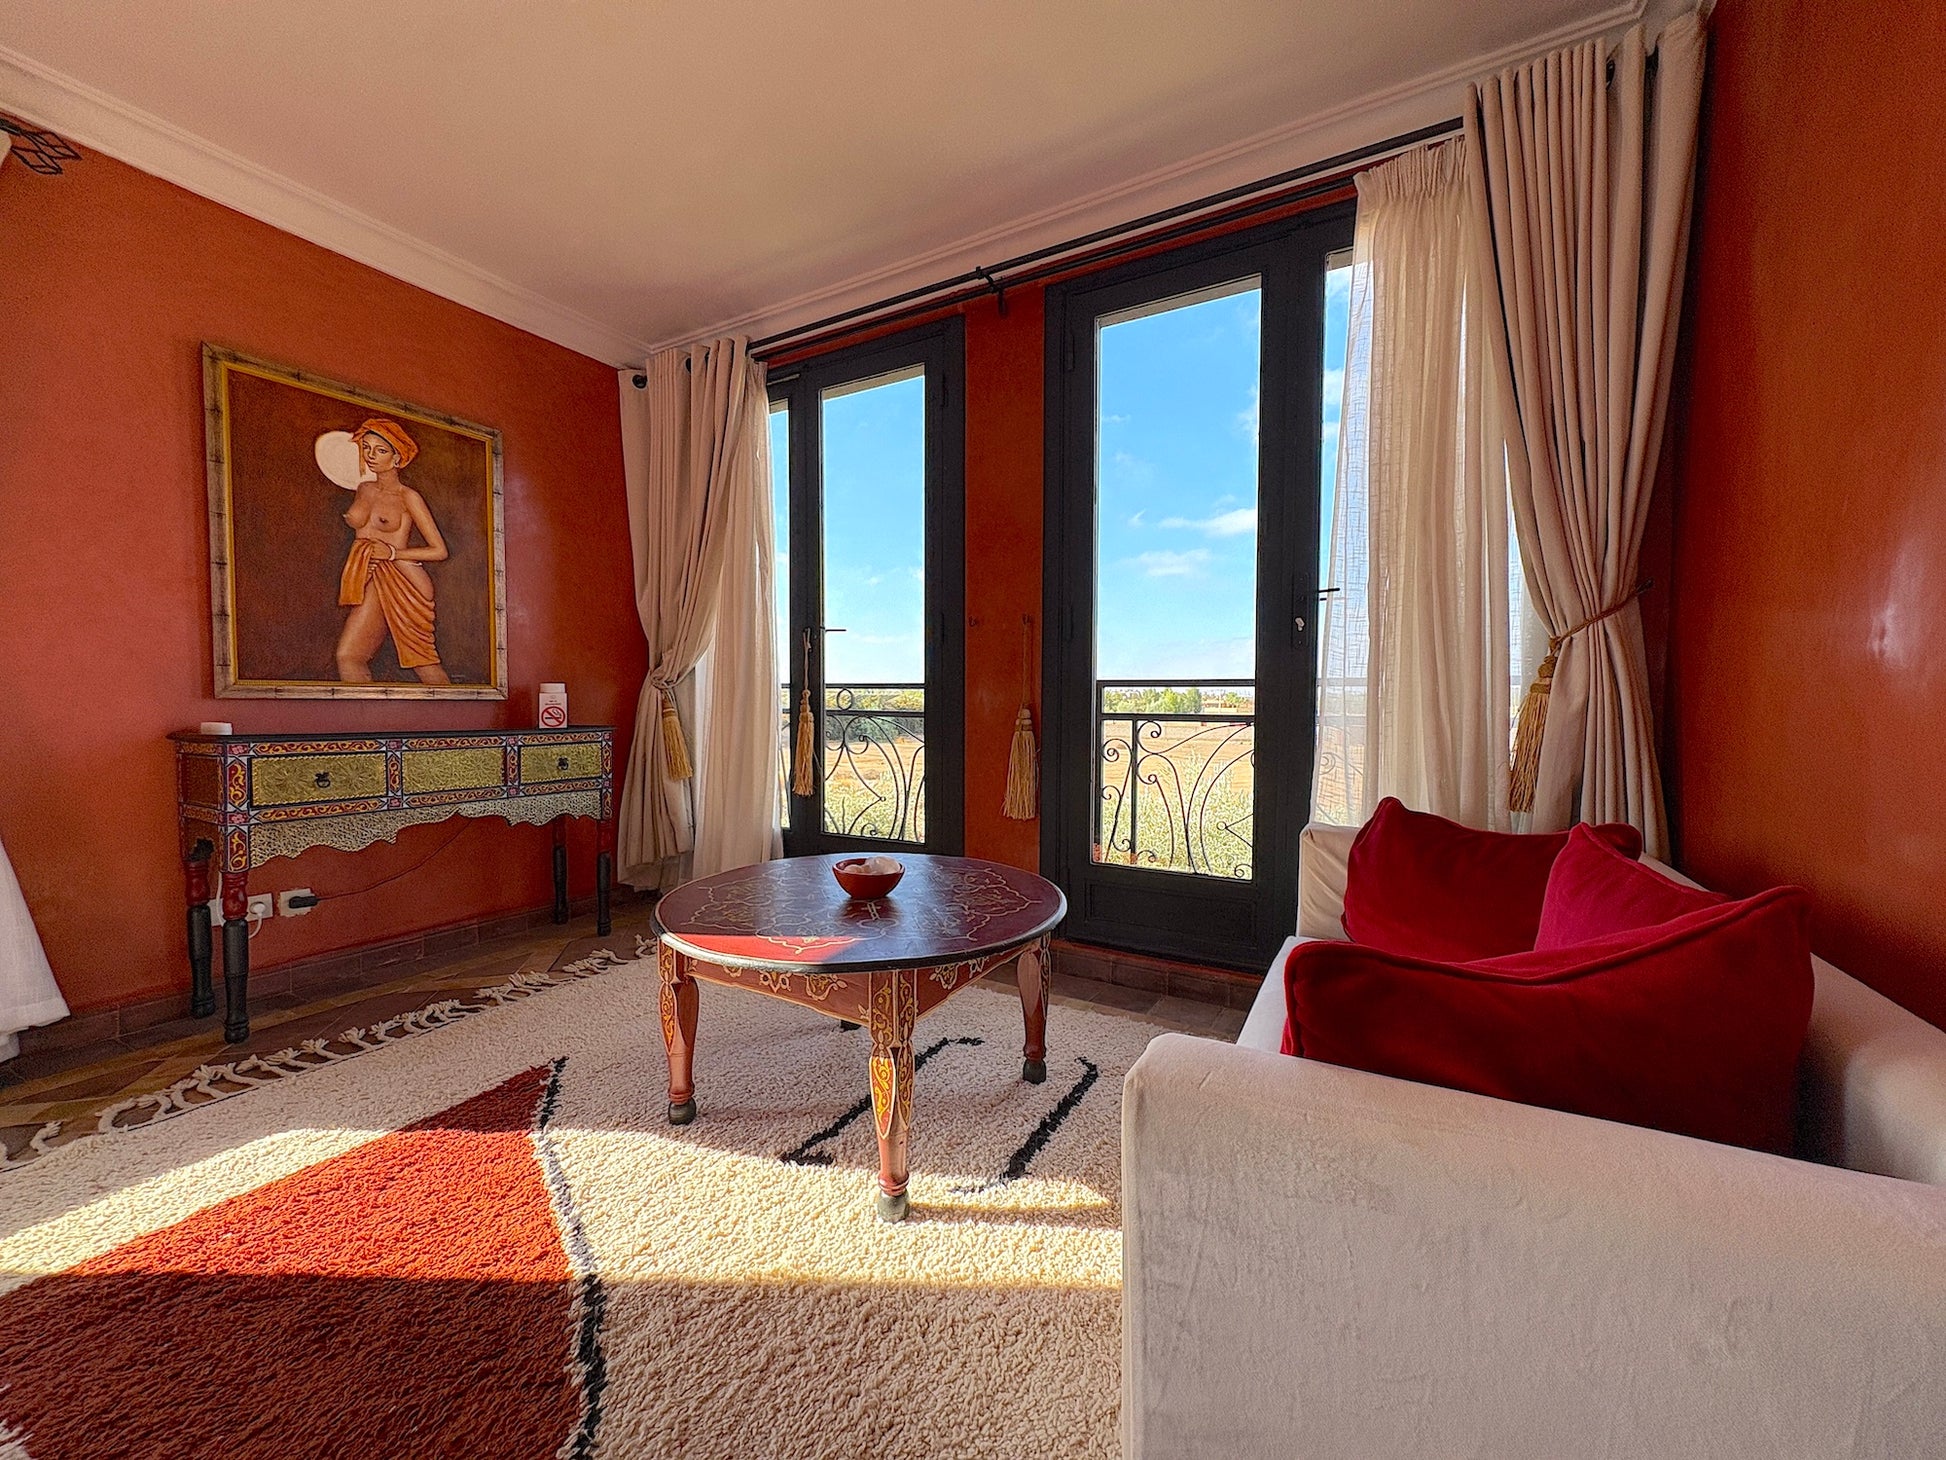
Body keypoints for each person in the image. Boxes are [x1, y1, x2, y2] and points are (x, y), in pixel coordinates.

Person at [335, 418, 451, 684]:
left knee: (423, 662)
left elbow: (439, 550)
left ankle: (455, 708)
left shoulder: (408, 497)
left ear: (397, 457)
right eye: (366, 447)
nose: (371, 455)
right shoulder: (364, 489)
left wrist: (392, 553)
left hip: (404, 578)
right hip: (371, 575)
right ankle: (362, 712)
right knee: (349, 656)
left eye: (381, 450)